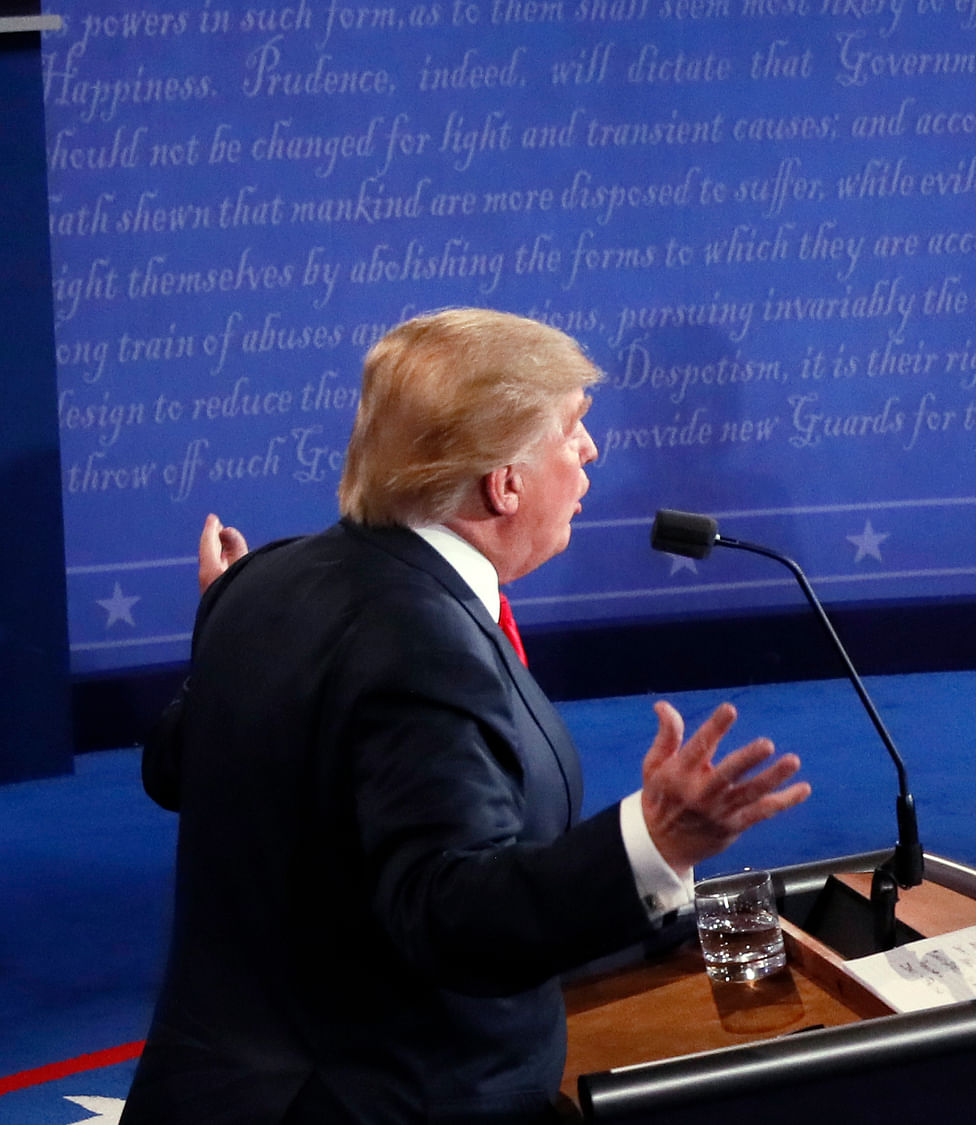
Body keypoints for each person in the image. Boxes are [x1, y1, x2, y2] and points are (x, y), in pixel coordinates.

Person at [126, 308, 812, 1124]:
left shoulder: (261, 579)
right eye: (571, 429)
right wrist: (651, 842)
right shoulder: (426, 642)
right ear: (505, 480)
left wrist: (236, 634)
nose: (589, 450)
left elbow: (174, 765)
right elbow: (446, 915)